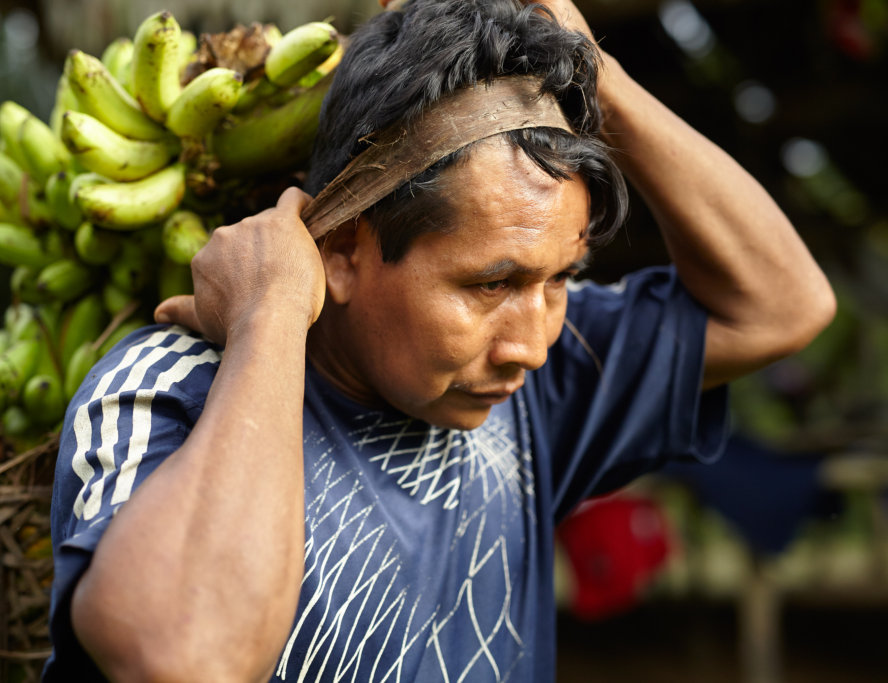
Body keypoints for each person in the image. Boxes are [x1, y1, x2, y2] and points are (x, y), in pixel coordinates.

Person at [44, 0, 836, 680]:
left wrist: (604, 77)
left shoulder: (536, 389)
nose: (529, 340)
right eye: (490, 284)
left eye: (559, 279)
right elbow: (184, 657)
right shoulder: (168, 387)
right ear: (346, 250)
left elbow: (779, 306)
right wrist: (271, 316)